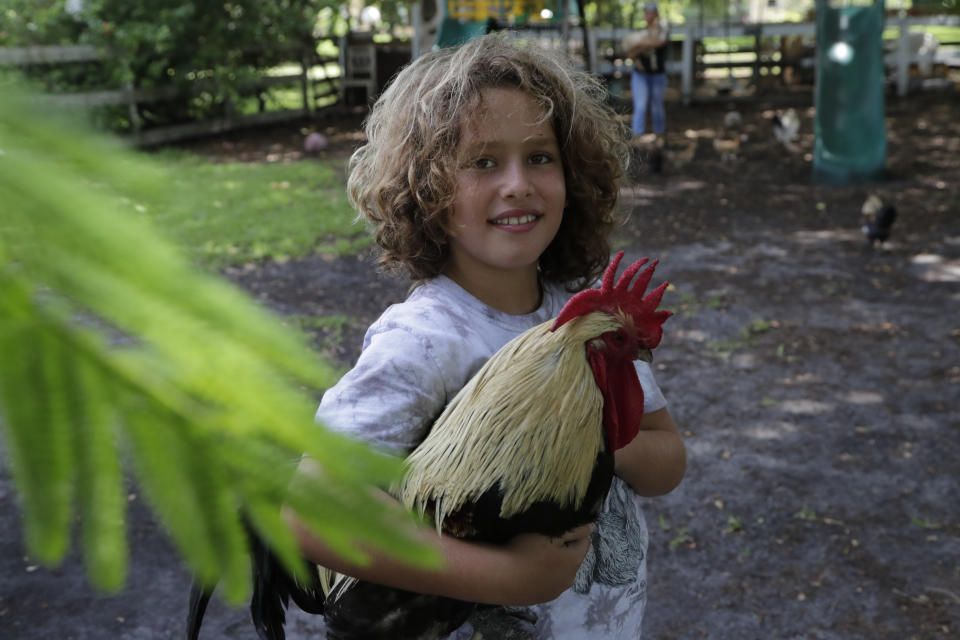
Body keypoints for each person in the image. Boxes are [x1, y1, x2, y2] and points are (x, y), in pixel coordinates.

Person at [283, 32, 686, 639]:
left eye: (541, 157)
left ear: (573, 174)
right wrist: (513, 579)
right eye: (483, 161)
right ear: (428, 191)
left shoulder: (582, 323)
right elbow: (313, 510)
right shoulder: (422, 339)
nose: (518, 183)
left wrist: (591, 437)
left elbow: (666, 461)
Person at [625, 2, 669, 136]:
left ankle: (659, 134)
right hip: (640, 74)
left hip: (657, 75)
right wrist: (645, 42)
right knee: (640, 106)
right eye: (646, 12)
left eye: (650, 12)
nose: (647, 15)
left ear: (655, 14)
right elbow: (630, 54)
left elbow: (659, 42)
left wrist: (639, 43)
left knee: (657, 107)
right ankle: (637, 137)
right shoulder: (641, 32)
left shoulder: (662, 31)